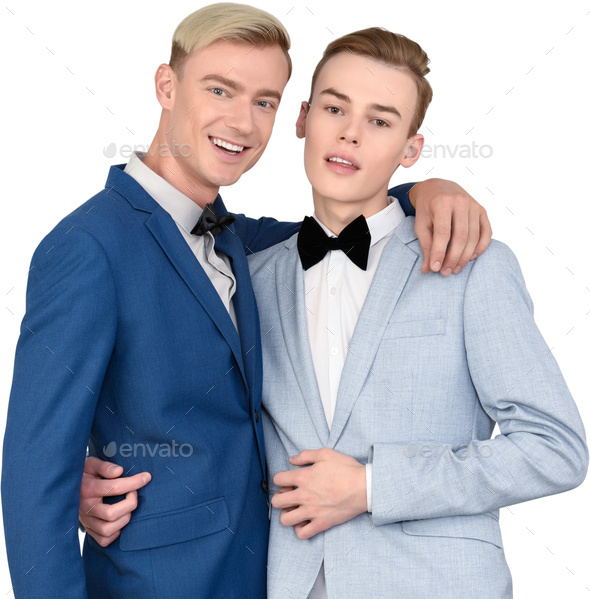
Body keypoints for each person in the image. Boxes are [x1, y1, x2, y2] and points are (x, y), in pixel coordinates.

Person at [1, 5, 491, 599]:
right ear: (166, 85)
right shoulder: (89, 247)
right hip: (154, 583)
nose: (243, 121)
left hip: (266, 576)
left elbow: (349, 223)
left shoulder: (242, 240)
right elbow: (33, 474)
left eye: (265, 101)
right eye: (219, 90)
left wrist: (432, 188)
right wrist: (71, 484)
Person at [248, 27, 588, 598]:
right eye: (335, 108)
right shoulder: (250, 278)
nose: (350, 134)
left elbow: (555, 447)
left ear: (411, 149)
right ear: (303, 117)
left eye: (380, 121)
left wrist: (375, 487)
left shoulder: (472, 265)